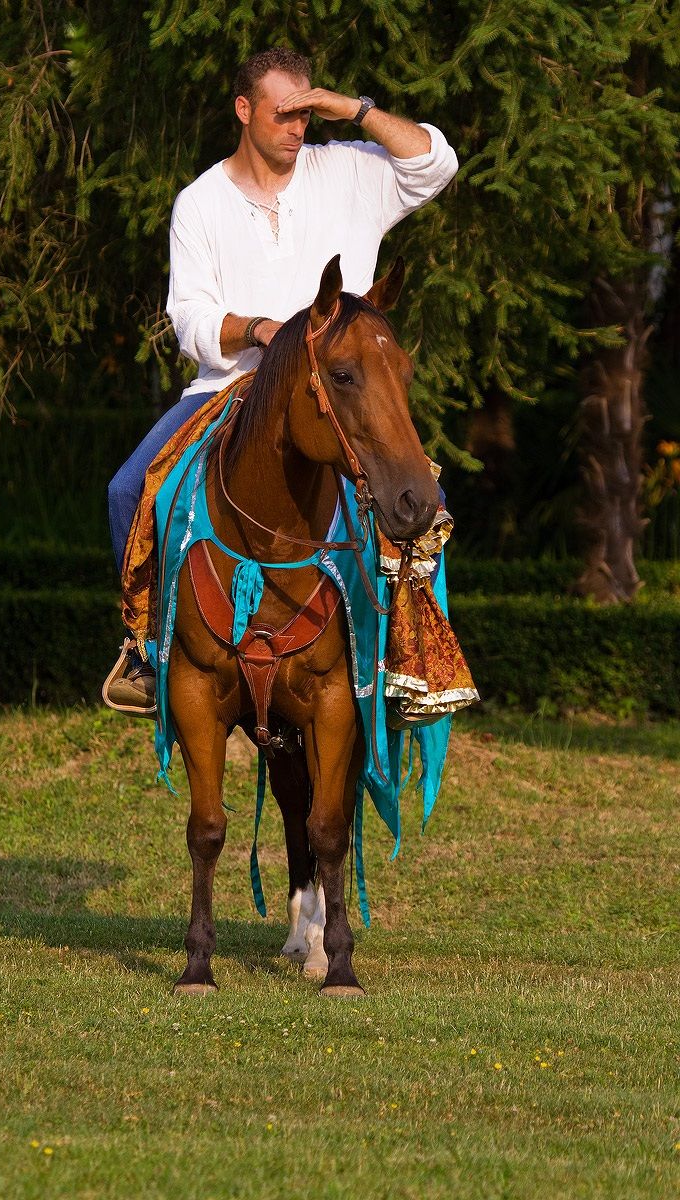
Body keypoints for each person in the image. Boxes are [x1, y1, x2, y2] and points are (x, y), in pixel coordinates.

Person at [104, 47, 458, 711]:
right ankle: (146, 652)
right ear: (243, 111)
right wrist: (259, 329)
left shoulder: (351, 170)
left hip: (343, 393)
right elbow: (190, 319)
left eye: (305, 114)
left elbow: (436, 162)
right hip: (228, 388)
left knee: (424, 501)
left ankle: (412, 666)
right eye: (283, 115)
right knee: (128, 489)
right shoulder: (199, 203)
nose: (298, 129)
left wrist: (349, 108)